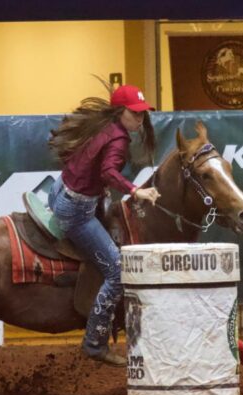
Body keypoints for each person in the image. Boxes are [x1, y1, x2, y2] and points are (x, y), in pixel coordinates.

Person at [48, 83, 161, 366]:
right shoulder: (119, 139)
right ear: (120, 112)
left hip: (60, 191)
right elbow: (108, 171)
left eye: (142, 114)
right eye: (135, 114)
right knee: (118, 272)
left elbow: (91, 167)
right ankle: (95, 343)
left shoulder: (101, 127)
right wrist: (136, 191)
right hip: (76, 211)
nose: (140, 119)